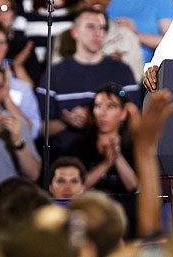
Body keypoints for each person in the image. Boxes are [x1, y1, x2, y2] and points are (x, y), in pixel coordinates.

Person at [36, 9, 140, 160]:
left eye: (102, 28)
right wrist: (66, 122)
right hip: (66, 161)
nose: (98, 34)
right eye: (90, 27)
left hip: (115, 159)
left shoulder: (122, 71)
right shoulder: (54, 74)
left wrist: (98, 119)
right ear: (75, 32)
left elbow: (135, 119)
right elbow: (39, 129)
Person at [52, 0, 145, 83]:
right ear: (81, 2)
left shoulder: (127, 37)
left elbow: (136, 81)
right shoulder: (65, 38)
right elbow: (56, 79)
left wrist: (119, 70)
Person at [71, 83, 139, 194]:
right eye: (98, 106)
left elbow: (135, 188)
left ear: (123, 113)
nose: (103, 113)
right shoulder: (80, 145)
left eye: (111, 107)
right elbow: (75, 187)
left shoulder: (135, 146)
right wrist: (106, 164)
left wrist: (117, 157)